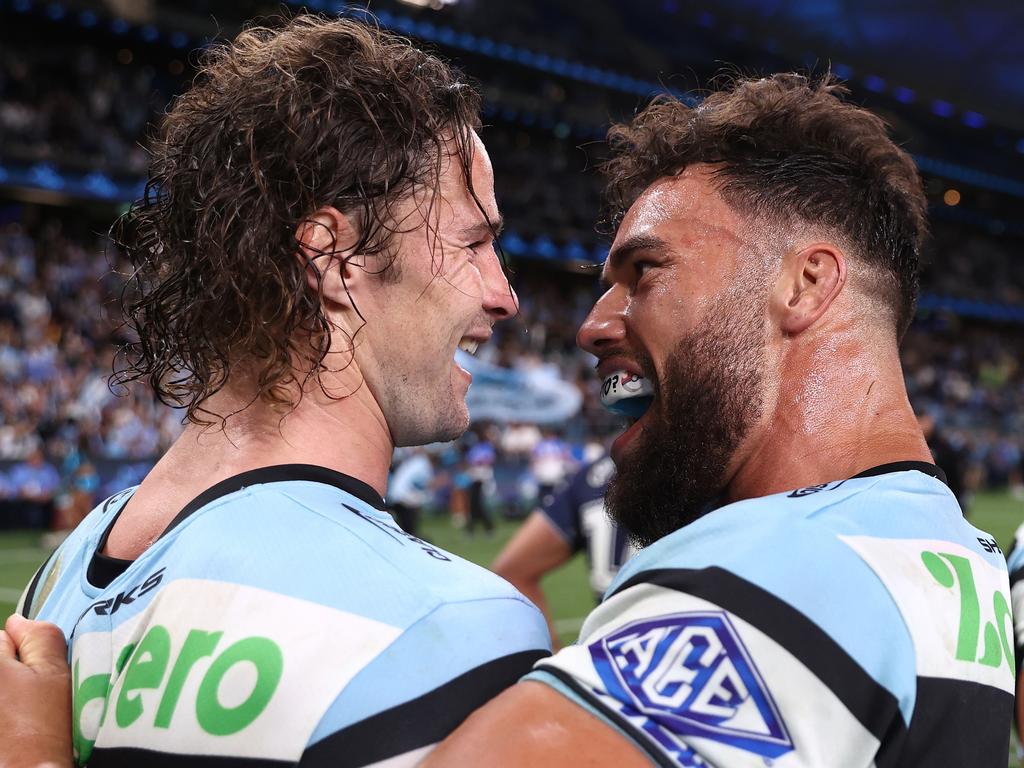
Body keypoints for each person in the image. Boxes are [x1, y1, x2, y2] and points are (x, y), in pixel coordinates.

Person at [1, 16, 549, 766]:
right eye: (475, 243)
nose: (504, 295)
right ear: (333, 253)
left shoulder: (60, 578)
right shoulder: (454, 627)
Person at [425, 73, 1014, 766]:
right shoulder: (956, 550)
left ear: (806, 284)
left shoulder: (773, 575)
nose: (592, 326)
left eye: (644, 271)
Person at [493, 452, 634, 647]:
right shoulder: (685, 466)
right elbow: (513, 571)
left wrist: (554, 659)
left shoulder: (591, 476)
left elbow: (512, 570)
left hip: (614, 660)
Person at [386, 448, 434, 538]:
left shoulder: (413, 461)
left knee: (405, 530)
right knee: (409, 532)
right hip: (404, 499)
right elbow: (420, 483)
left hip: (395, 496)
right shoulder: (421, 463)